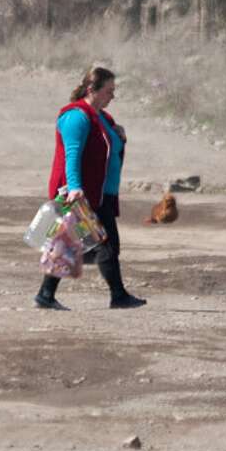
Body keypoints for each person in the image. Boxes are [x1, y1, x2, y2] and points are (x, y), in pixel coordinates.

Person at [36, 64, 147, 310]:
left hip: (101, 193)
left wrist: (121, 136)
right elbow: (71, 156)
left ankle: (46, 293)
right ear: (91, 89)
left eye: (113, 90)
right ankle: (118, 296)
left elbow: (109, 147)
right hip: (82, 194)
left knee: (72, 243)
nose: (112, 96)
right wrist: (75, 187)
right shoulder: (76, 116)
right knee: (106, 244)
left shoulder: (103, 118)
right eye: (108, 91)